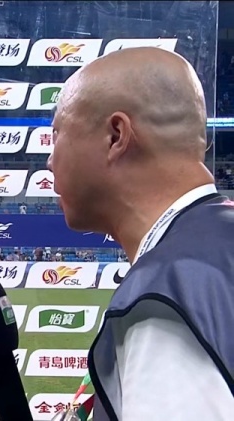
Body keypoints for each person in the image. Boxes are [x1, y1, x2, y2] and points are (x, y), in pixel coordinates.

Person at [48, 46, 234, 420]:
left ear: (116, 136)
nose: (50, 161)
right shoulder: (217, 247)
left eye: (56, 135)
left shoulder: (167, 293)